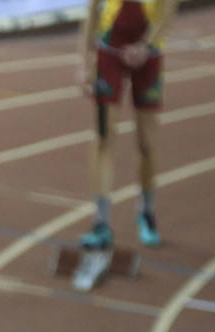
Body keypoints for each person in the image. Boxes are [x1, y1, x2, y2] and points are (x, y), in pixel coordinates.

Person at [77, 0, 179, 250]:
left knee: (146, 142)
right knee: (103, 138)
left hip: (149, 56)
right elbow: (91, 12)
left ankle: (146, 212)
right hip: (108, 53)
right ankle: (101, 222)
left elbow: (167, 13)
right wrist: (83, 62)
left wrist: (146, 45)